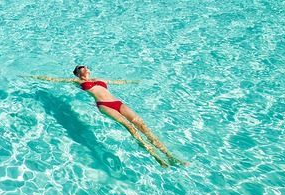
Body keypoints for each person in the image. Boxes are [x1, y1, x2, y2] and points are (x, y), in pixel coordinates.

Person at [32, 65, 185, 167]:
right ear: (78, 73)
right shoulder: (77, 81)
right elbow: (54, 79)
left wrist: (140, 81)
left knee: (142, 124)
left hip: (117, 102)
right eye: (80, 69)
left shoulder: (100, 79)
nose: (84, 69)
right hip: (104, 105)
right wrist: (32, 77)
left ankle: (169, 155)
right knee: (130, 127)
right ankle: (156, 157)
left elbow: (120, 82)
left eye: (85, 67)